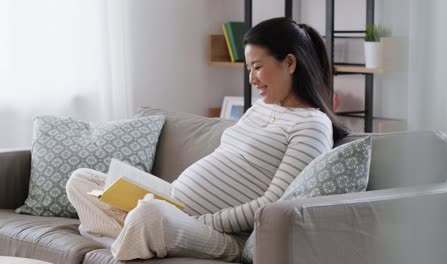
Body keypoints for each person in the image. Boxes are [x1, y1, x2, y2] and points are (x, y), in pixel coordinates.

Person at [66, 17, 349, 262]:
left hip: (220, 234)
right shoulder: (262, 108)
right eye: (248, 68)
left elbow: (272, 204)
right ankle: (133, 238)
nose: (251, 79)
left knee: (149, 215)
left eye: (258, 67)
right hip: (174, 202)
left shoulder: (312, 126)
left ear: (289, 63)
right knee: (81, 180)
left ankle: (120, 235)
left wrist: (197, 221)